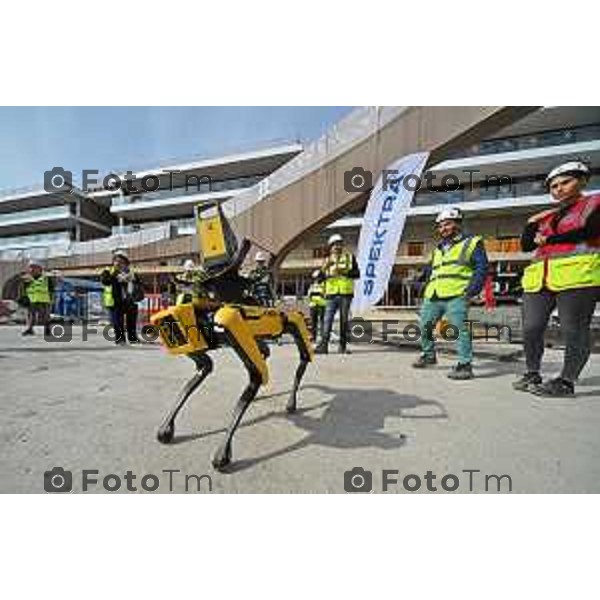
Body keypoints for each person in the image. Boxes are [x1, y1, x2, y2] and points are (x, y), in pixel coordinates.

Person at [513, 161, 600, 397]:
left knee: (573, 329)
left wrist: (549, 240)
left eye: (565, 182)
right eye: (553, 186)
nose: (558, 188)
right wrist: (531, 223)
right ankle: (532, 372)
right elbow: (526, 245)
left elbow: (591, 232)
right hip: (540, 277)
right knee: (531, 327)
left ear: (582, 181)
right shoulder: (548, 215)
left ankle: (566, 380)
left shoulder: (594, 203)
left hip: (578, 276)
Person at [412, 207, 488, 379]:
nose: (443, 229)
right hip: (433, 295)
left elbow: (482, 268)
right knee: (425, 326)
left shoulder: (472, 243)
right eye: (440, 226)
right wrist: (420, 283)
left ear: (458, 224)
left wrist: (471, 292)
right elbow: (431, 271)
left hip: (457, 294)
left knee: (458, 329)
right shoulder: (438, 249)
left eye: (447, 224)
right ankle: (429, 355)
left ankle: (464, 364)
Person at [315, 233, 359, 355]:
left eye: (339, 244)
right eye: (334, 245)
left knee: (344, 321)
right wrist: (324, 269)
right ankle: (323, 346)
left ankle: (342, 347)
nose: (337, 247)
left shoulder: (350, 258)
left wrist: (344, 272)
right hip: (331, 295)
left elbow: (357, 274)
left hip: (345, 294)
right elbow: (319, 279)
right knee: (327, 320)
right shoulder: (327, 261)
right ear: (330, 247)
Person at [100, 250, 144, 345]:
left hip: (130, 300)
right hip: (115, 301)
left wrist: (131, 280)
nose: (119, 263)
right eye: (116, 261)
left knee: (131, 321)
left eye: (121, 262)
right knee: (117, 322)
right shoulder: (108, 271)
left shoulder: (131, 273)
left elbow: (139, 285)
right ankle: (120, 339)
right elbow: (105, 281)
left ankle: (133, 338)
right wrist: (115, 275)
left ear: (126, 263)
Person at [20, 260, 54, 336]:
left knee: (45, 316)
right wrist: (23, 298)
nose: (31, 269)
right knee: (31, 316)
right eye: (30, 267)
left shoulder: (46, 278)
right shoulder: (27, 278)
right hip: (32, 300)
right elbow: (23, 289)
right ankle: (30, 329)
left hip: (44, 300)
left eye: (33, 267)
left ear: (39, 268)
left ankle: (47, 330)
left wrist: (52, 299)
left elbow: (51, 289)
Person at [307, 269, 326, 342]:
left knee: (323, 322)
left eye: (318, 277)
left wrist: (317, 294)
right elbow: (309, 294)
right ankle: (313, 336)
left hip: (322, 305)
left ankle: (323, 337)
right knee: (313, 322)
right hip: (313, 305)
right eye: (315, 278)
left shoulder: (324, 285)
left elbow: (325, 294)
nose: (316, 279)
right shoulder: (312, 285)